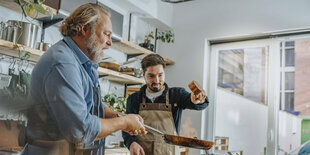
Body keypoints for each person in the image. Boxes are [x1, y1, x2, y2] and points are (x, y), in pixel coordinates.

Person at [22, 3, 146, 155]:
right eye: (106, 34)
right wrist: (124, 122)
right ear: (85, 29)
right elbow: (80, 130)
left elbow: (88, 102)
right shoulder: (63, 63)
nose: (110, 42)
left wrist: (116, 115)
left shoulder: (83, 63)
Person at [122, 54, 209, 155]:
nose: (157, 80)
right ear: (143, 75)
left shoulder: (176, 95)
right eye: (151, 76)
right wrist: (131, 143)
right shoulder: (134, 99)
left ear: (164, 73)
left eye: (160, 75)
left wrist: (198, 100)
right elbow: (126, 126)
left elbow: (200, 104)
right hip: (142, 152)